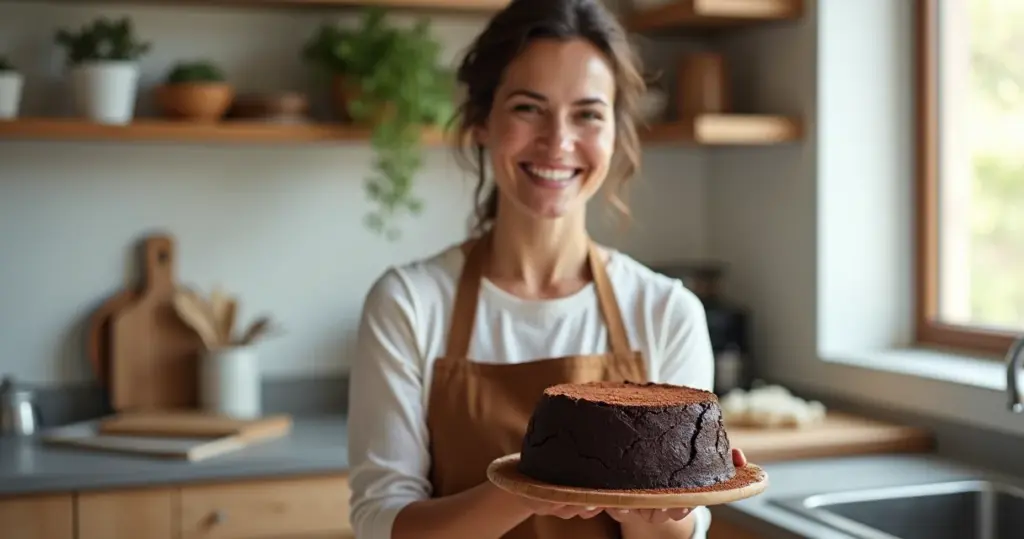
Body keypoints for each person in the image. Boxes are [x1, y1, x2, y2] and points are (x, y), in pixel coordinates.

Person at [346, 0, 748, 538]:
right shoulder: (409, 303)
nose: (558, 141)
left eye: (587, 114)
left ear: (615, 134)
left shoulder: (665, 310)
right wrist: (532, 486)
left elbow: (683, 532)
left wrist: (654, 507)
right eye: (527, 108)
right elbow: (381, 524)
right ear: (483, 121)